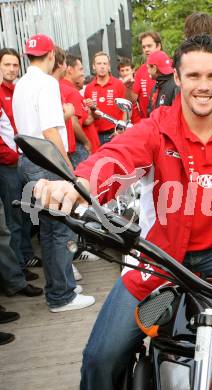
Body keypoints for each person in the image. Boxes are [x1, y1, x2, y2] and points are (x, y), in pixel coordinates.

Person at [33, 35, 212, 389]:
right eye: (194, 76)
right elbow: (118, 157)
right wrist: (80, 184)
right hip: (162, 259)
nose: (203, 86)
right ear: (178, 79)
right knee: (102, 356)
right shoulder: (158, 127)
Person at [12, 33, 95, 312]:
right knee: (59, 230)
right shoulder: (47, 83)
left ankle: (60, 287)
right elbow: (50, 130)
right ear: (51, 56)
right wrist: (68, 168)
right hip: (46, 162)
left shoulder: (21, 84)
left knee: (48, 230)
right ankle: (62, 295)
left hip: (27, 160)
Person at [0, 49, 39, 276]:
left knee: (26, 214)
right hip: (8, 164)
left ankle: (26, 257)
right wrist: (12, 157)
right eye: (7, 65)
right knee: (14, 220)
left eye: (15, 65)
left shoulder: (19, 90)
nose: (12, 69)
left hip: (24, 159)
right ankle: (19, 271)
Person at [84, 52, 126, 145]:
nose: (102, 66)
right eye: (99, 64)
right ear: (94, 66)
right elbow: (88, 114)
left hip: (114, 133)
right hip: (96, 135)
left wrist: (121, 130)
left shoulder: (118, 84)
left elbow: (125, 110)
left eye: (105, 63)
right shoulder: (89, 88)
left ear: (109, 66)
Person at [124, 32, 161, 121]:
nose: (146, 49)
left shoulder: (171, 66)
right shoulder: (141, 70)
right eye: (144, 47)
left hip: (169, 124)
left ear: (158, 46)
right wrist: (128, 88)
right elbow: (133, 99)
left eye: (149, 46)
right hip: (148, 124)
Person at [146, 50, 178, 116]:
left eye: (148, 67)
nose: (148, 71)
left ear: (154, 68)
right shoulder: (158, 85)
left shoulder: (176, 86)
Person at [117, 57, 141, 124]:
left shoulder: (136, 82)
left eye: (127, 70)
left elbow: (133, 99)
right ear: (119, 72)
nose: (125, 73)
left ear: (133, 70)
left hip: (136, 119)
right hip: (122, 119)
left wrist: (128, 86)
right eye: (122, 70)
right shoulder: (117, 83)